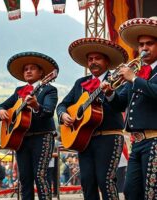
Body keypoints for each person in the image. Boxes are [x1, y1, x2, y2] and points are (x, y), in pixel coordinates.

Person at [56, 38, 128, 200]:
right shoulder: (81, 83)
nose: (93, 62)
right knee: (87, 182)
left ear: (107, 61)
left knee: (105, 181)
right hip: (84, 140)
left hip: (109, 137)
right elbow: (63, 105)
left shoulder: (118, 79)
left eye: (97, 58)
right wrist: (63, 115)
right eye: (90, 59)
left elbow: (120, 105)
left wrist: (109, 93)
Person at [101, 16, 157, 200]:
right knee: (131, 192)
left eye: (149, 43)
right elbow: (120, 103)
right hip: (137, 142)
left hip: (155, 141)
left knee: (152, 192)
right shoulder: (139, 72)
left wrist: (134, 78)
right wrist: (110, 93)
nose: (144, 48)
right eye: (141, 45)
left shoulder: (136, 76)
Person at [0, 51, 59, 200]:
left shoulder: (49, 89)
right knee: (24, 178)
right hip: (21, 139)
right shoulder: (19, 91)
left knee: (40, 176)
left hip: (42, 137)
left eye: (32, 68)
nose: (28, 71)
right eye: (25, 69)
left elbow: (48, 112)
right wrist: (1, 111)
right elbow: (0, 106)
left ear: (42, 73)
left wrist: (37, 106)